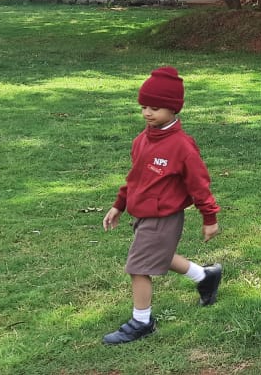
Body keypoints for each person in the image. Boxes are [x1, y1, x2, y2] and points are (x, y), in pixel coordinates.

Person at [101, 66, 222, 345]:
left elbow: (199, 184)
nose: (147, 113)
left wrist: (210, 217)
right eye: (144, 107)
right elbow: (134, 179)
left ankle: (141, 322)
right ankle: (205, 276)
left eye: (154, 108)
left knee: (138, 266)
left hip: (164, 216)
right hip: (143, 214)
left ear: (173, 109)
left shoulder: (182, 146)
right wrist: (119, 204)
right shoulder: (141, 141)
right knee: (157, 255)